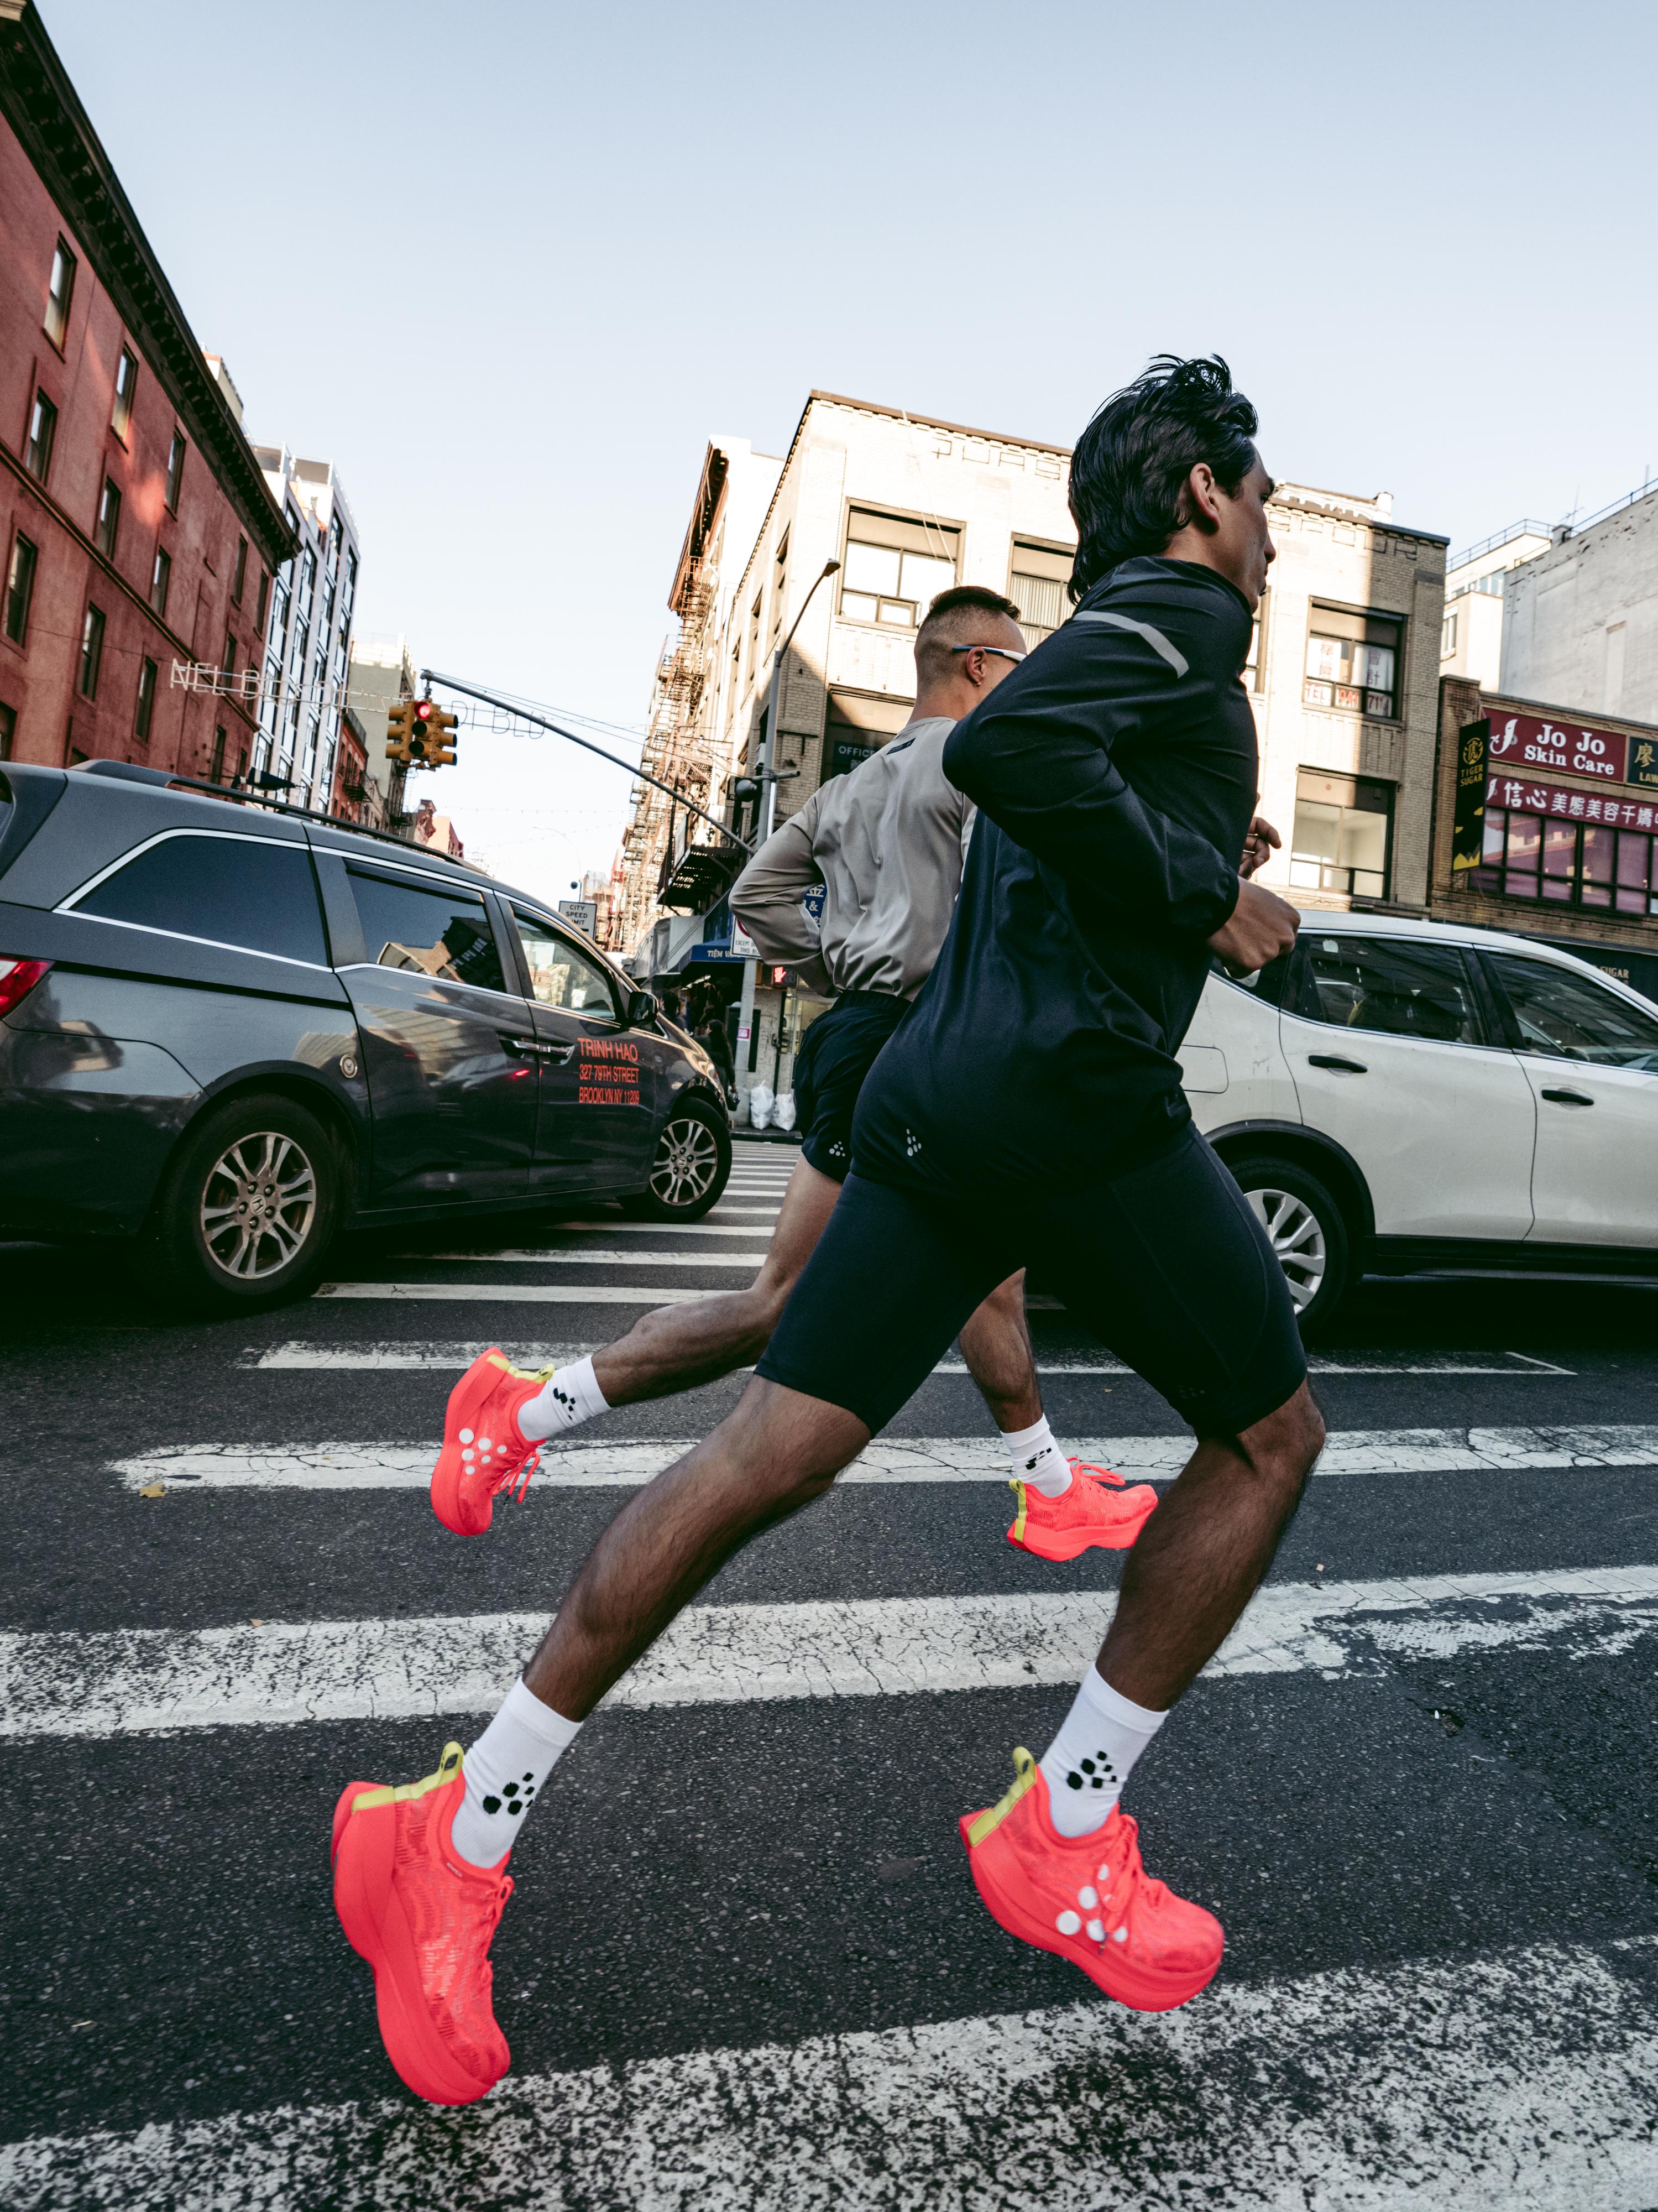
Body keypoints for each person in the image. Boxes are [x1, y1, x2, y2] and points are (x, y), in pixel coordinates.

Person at [331, 356, 1321, 2107]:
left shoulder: (1114, 644)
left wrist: (1180, 848)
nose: (1272, 523)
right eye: (1259, 493)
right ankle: (1063, 1830)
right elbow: (1014, 750)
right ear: (1197, 500)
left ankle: (452, 1833)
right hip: (1066, 1112)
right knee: (1267, 1440)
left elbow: (1031, 786)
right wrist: (1205, 892)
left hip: (943, 1112)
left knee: (760, 1456)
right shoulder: (1174, 620)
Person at [423, 584, 1163, 1568]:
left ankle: (1051, 1487)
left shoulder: (849, 789)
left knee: (973, 1281)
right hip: (921, 1044)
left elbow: (757, 893)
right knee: (812, 1303)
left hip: (858, 1034)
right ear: (981, 665)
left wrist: (828, 970)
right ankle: (527, 1413)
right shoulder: (979, 766)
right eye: (1020, 668)